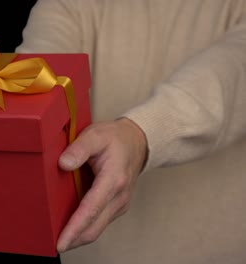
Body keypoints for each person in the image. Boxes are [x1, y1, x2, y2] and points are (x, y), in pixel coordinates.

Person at [15, 1, 246, 263]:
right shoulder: (66, 5)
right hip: (92, 255)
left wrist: (141, 135)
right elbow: (38, 71)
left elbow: (233, 71)